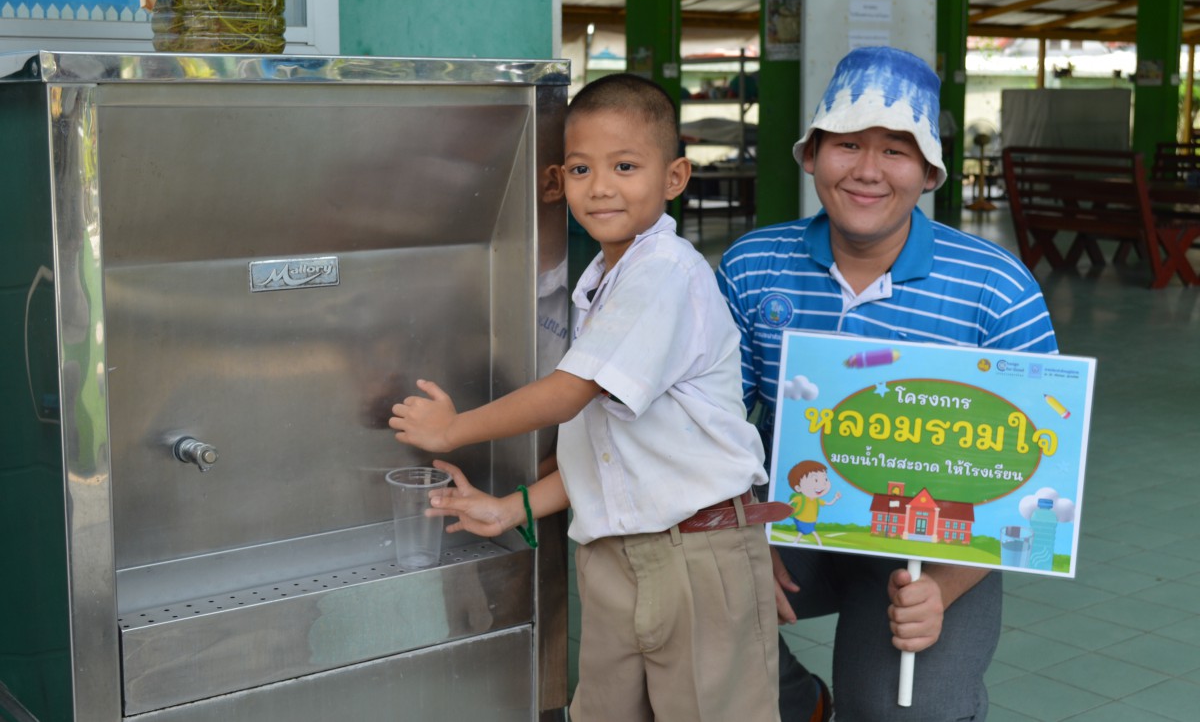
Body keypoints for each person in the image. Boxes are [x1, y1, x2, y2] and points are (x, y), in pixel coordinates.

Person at [390, 73, 788, 722]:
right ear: (556, 180)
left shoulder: (665, 271)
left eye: (625, 166)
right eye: (581, 168)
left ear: (675, 177)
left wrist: (452, 429)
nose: (600, 186)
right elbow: (606, 447)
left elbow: (572, 394)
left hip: (695, 552)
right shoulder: (605, 279)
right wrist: (510, 507)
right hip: (612, 552)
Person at [717, 46, 1059, 722]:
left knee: (907, 710)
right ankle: (799, 700)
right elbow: (712, 419)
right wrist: (738, 531)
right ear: (811, 154)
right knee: (679, 589)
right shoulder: (754, 266)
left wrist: (947, 588)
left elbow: (1041, 470)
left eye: (896, 151)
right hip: (788, 517)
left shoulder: (997, 287)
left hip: (934, 541)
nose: (868, 170)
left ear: (929, 172)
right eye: (847, 143)